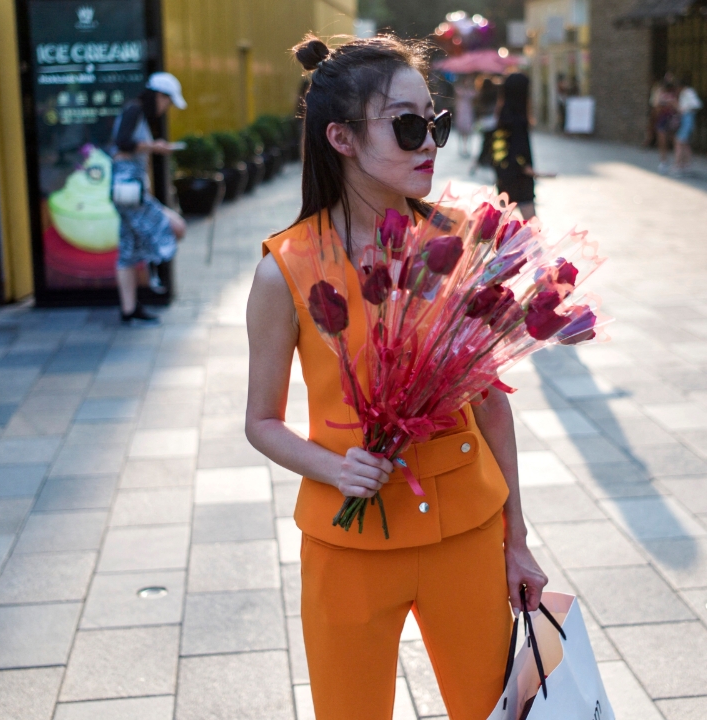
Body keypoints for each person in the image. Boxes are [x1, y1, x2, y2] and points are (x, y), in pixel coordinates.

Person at [245, 34, 545, 719]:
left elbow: (491, 403)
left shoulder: (465, 240)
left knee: (493, 713)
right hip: (349, 546)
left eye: (431, 122)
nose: (429, 142)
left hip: (468, 531)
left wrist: (518, 541)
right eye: (407, 125)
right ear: (341, 139)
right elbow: (259, 421)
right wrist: (332, 467)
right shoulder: (285, 269)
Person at [109, 72, 187, 325]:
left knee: (128, 250)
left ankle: (129, 309)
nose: (166, 108)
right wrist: (154, 147)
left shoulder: (137, 113)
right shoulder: (135, 110)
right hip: (128, 189)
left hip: (128, 190)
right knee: (176, 227)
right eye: (168, 101)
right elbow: (122, 144)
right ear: (159, 96)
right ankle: (155, 271)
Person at [493, 72, 546, 220]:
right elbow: (518, 148)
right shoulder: (519, 118)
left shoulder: (503, 114)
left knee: (501, 223)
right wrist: (526, 167)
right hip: (520, 176)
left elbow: (499, 147)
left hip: (504, 173)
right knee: (532, 227)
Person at [653, 74, 681, 174]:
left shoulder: (676, 92)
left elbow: (678, 106)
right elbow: (656, 105)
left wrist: (673, 103)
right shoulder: (659, 91)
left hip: (673, 118)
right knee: (662, 140)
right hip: (662, 118)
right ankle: (664, 161)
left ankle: (677, 162)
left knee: (675, 140)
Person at [674, 75, 702, 175]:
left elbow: (696, 105)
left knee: (680, 142)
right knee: (684, 143)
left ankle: (679, 165)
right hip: (686, 117)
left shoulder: (688, 93)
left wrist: (684, 109)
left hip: (687, 117)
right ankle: (686, 165)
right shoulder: (684, 93)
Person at [454, 76, 476, 158]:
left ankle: (467, 148)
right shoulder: (459, 90)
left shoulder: (470, 91)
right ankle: (461, 148)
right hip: (461, 111)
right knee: (461, 131)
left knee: (468, 131)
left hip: (468, 112)